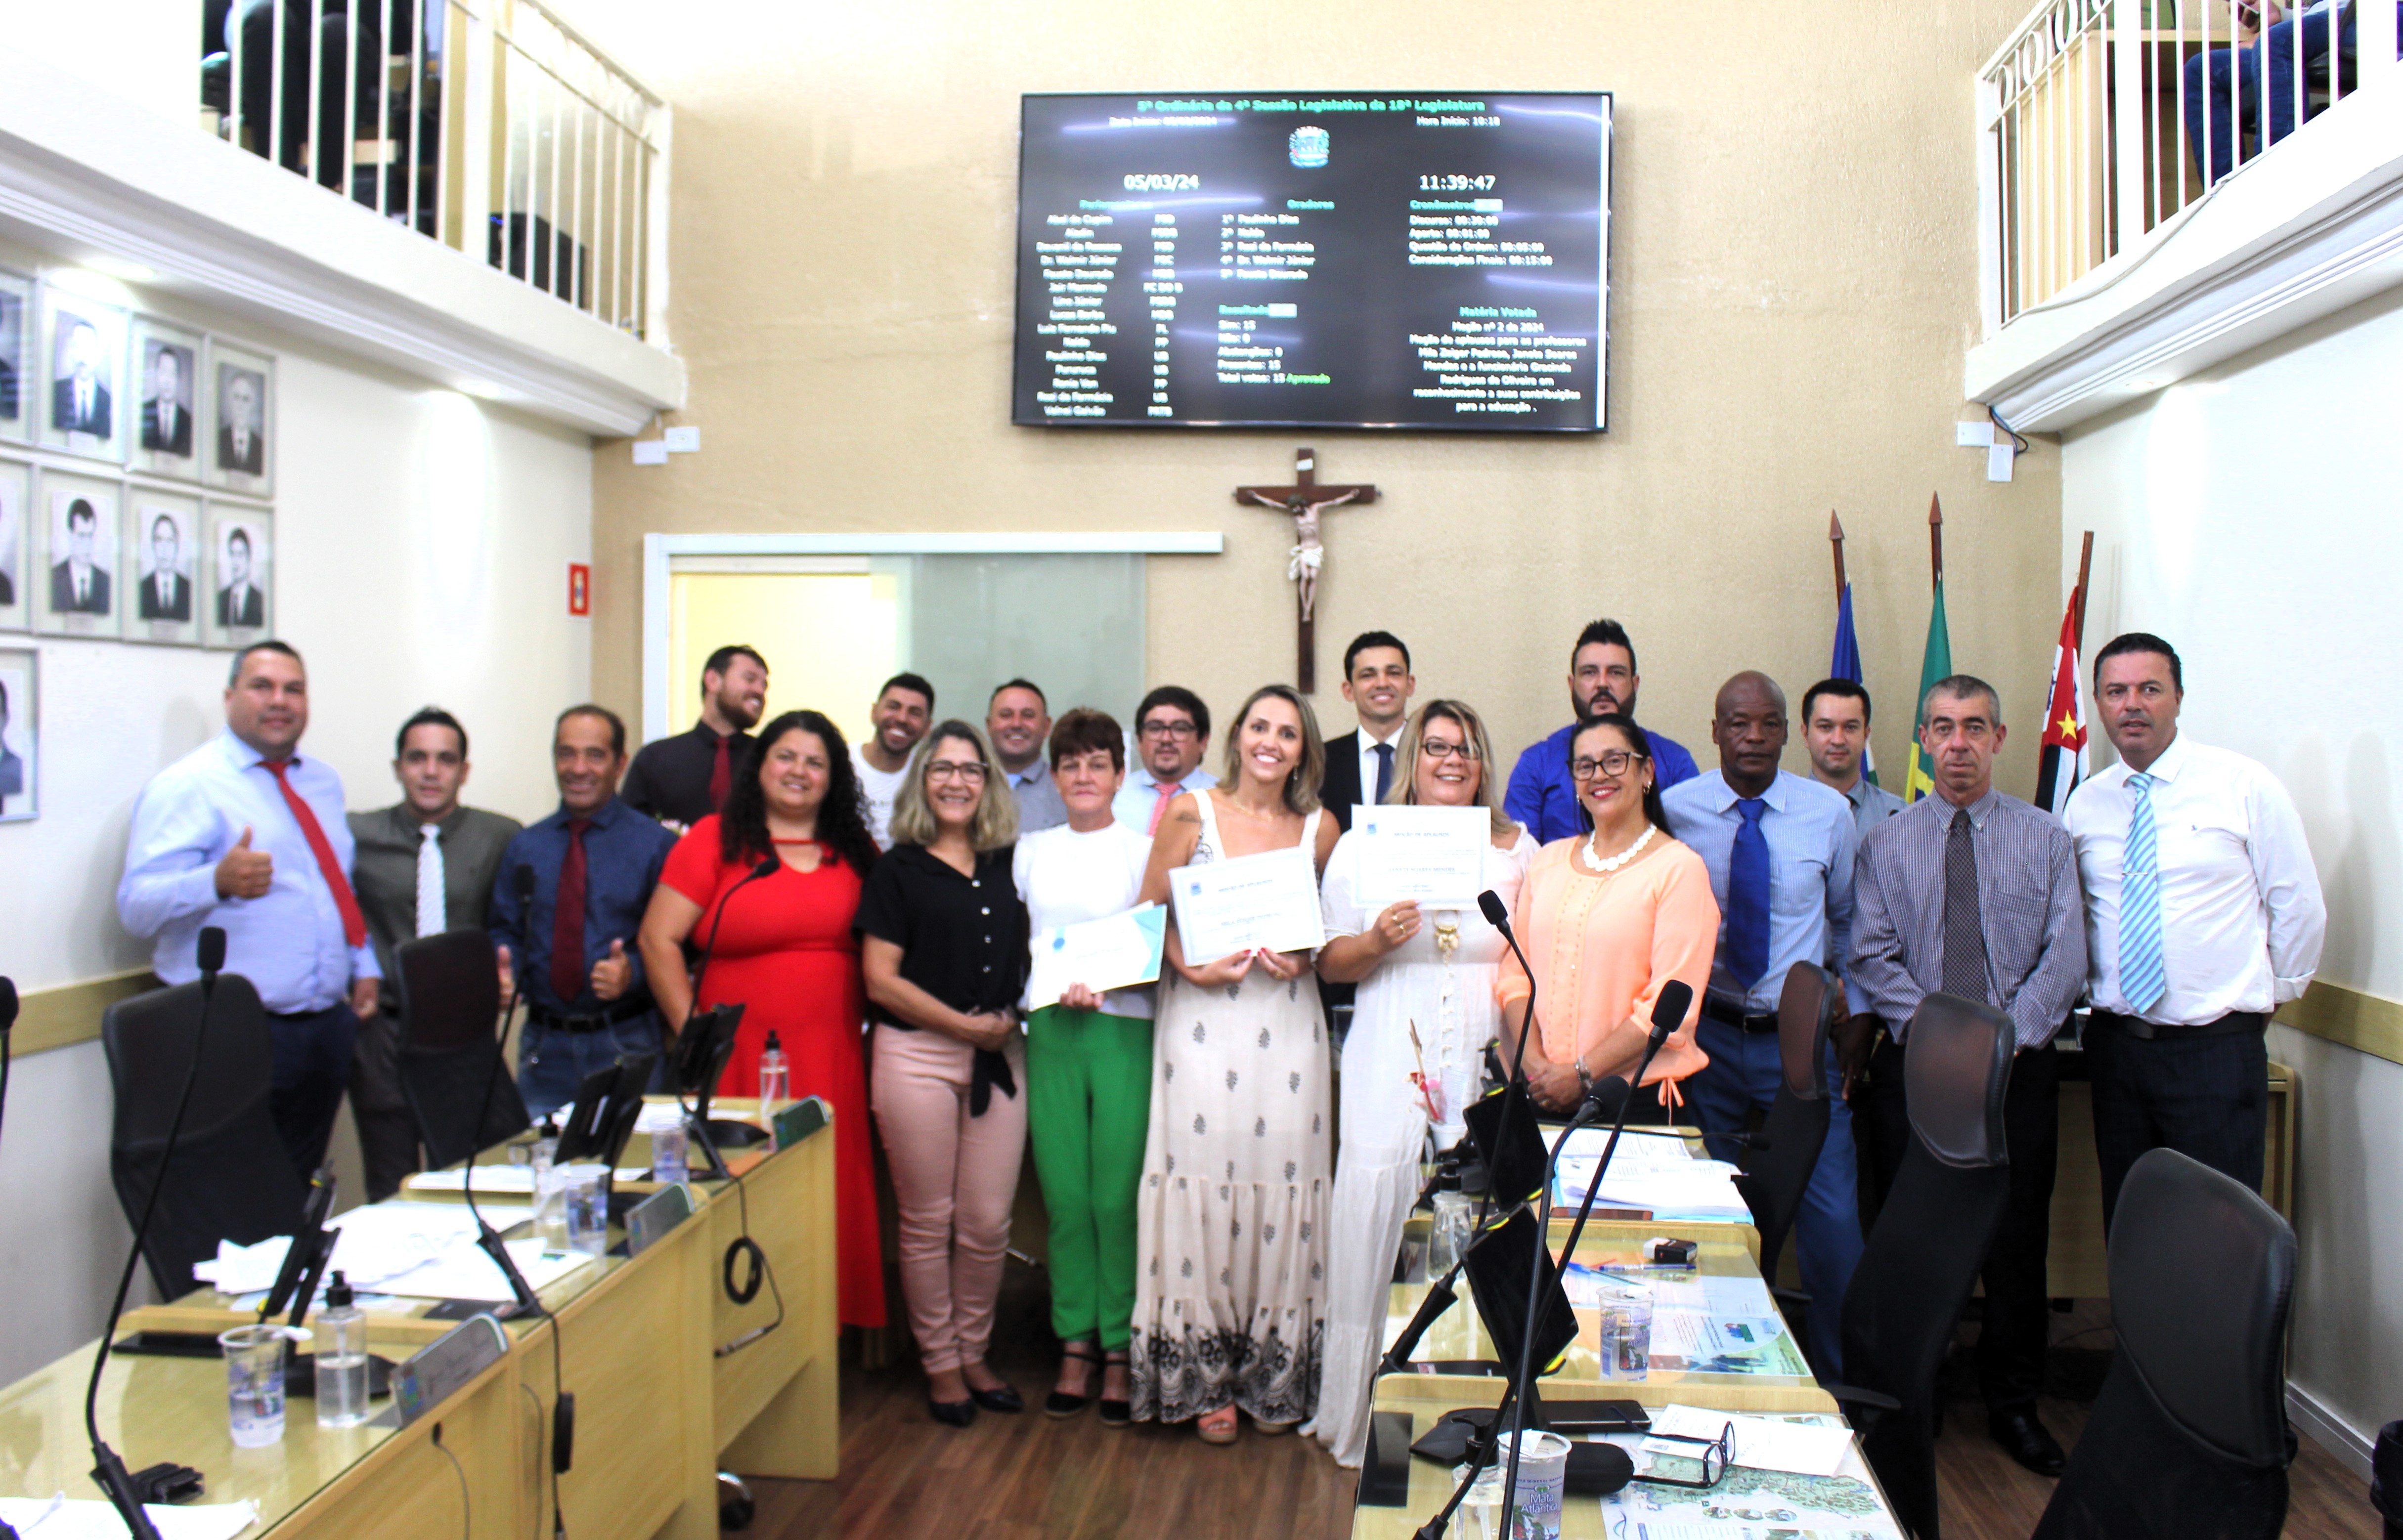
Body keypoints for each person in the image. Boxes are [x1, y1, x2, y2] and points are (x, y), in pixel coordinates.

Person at [1851, 674, 2088, 1477]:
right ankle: (1917, 1387)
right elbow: (1873, 957)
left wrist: (2001, 1041)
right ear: (1921, 739)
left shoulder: (2046, 839)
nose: (1958, 743)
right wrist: (1944, 1040)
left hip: (2015, 1075)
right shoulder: (1885, 842)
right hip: (1916, 1073)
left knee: (2016, 1245)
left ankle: (2014, 1405)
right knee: (1909, 1236)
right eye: (1943, 727)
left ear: (2000, 737)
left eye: (1974, 727)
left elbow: (2066, 957)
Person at [1312, 699, 1535, 1468]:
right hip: (1385, 1048)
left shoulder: (1516, 852)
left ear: (1483, 763)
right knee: (1378, 1212)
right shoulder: (1365, 845)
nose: (1451, 760)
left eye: (1467, 749)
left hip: (1475, 1050)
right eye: (1437, 745)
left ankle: (1456, 1416)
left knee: (1467, 1224)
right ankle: (1361, 1420)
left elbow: (1527, 962)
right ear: (1414, 755)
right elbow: (1328, 963)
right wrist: (1374, 940)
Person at [1130, 684, 1342, 1445]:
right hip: (1202, 1027)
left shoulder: (1321, 827)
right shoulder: (1192, 812)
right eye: (1259, 725)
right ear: (1238, 735)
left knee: (1285, 1181)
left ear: (1302, 750)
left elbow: (1333, 932)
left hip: (1287, 1028)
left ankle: (1273, 1374)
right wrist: (1190, 969)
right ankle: (1203, 1376)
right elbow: (1147, 920)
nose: (1270, 742)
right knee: (1204, 1180)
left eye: (1287, 733)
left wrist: (1304, 952)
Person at [2064, 633, 2324, 1229]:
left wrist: (2267, 998)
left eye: (2148, 689)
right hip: (2116, 1050)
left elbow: (2298, 904)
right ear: (2099, 706)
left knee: (2218, 1232)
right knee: (2131, 1224)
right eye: (2115, 691)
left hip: (2215, 1050)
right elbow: (2078, 916)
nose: (2132, 704)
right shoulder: (2086, 803)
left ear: (2177, 697)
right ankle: (2138, 1330)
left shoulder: (2243, 785)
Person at [641, 709, 887, 1330]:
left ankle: (818, 1333)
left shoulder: (857, 850)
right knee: (746, 1191)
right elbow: (657, 940)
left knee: (825, 1191)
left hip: (833, 1054)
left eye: (815, 762)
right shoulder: (714, 840)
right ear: (761, 765)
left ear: (834, 778)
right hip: (737, 1058)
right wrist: (695, 1034)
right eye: (786, 756)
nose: (798, 771)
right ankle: (742, 1328)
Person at [1661, 672, 1863, 1377]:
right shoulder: (1674, 810)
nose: (1753, 738)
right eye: (1737, 724)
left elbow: (1845, 921)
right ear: (1713, 731)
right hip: (1706, 1044)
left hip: (1797, 1046)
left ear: (1788, 732)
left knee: (1833, 1222)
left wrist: (1850, 1006)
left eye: (1768, 724)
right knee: (1707, 1217)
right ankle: (1712, 1370)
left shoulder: (1828, 813)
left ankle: (1838, 1384)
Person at [117, 642, 379, 1176]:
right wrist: (214, 880)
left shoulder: (322, 781)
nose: (279, 700)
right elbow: (135, 907)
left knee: (295, 1191)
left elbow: (333, 885)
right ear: (230, 695)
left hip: (324, 1027)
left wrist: (364, 962)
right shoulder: (189, 784)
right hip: (233, 1033)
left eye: (294, 688)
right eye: (263, 686)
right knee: (230, 1194)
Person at [857, 720, 1031, 1425]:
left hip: (1001, 1058)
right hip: (917, 1057)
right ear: (922, 783)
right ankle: (941, 1365)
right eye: (942, 769)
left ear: (987, 782)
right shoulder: (896, 869)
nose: (957, 780)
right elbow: (879, 980)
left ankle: (974, 1350)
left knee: (989, 1222)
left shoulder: (1009, 864)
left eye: (971, 769)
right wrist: (965, 1027)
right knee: (929, 1222)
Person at [1011, 708, 1156, 1426]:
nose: (1083, 776)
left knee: (1115, 1198)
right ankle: (1075, 1343)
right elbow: (1021, 941)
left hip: (1124, 1027)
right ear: (1057, 775)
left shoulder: (1143, 849)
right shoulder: (1031, 849)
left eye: (1097, 764)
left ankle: (1121, 1347)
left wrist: (1112, 980)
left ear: (1119, 775)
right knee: (1065, 1198)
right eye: (1070, 764)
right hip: (1051, 1028)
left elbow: (1159, 941)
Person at [1498, 713, 1716, 1118]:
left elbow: (1670, 1008)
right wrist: (1533, 1064)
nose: (1599, 775)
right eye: (1584, 765)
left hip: (1632, 1101)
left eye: (1614, 760)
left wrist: (1581, 1074)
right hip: (1540, 1090)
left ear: (1646, 770)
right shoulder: (1547, 861)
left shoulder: (1679, 869)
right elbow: (1515, 975)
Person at [346, 707, 523, 1200]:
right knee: (390, 1181)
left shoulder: (501, 837)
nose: (430, 771)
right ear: (398, 766)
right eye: (417, 758)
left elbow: (514, 923)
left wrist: (508, 969)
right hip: (384, 1034)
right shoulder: (355, 837)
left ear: (464, 770)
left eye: (445, 759)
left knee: (472, 1180)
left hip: (462, 1036)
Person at [489, 706, 679, 1114]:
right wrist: (504, 973)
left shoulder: (655, 847)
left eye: (595, 755)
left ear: (619, 764)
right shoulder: (526, 847)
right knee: (542, 1172)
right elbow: (505, 931)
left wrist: (633, 972)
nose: (578, 768)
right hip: (543, 1047)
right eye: (566, 753)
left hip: (626, 1041)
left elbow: (684, 945)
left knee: (633, 1172)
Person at [1506, 619, 1701, 843]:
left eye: (1616, 673)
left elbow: (1691, 851)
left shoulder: (1675, 761)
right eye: (1590, 673)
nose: (1602, 684)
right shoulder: (1536, 763)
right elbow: (1523, 860)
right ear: (1572, 684)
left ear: (1635, 684)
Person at [2182, 0, 2375, 186]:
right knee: (2202, 70)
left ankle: (2274, 181)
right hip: (2334, 24)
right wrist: (2283, 17)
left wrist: (2275, 35)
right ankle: (2223, 199)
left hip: (2382, 14)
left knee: (2274, 41)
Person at [620, 644, 769, 829]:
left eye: (764, 685)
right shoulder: (656, 758)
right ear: (713, 680)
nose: (760, 691)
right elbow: (629, 830)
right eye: (750, 679)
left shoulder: (768, 760)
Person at [1317, 631, 1417, 831]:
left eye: (1394, 673)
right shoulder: (1320, 760)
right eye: (1368, 675)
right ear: (1349, 690)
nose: (1382, 683)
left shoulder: (1434, 756)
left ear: (1410, 684)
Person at [1803, 678, 1904, 838]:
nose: (1838, 740)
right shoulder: (1781, 814)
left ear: (1866, 735)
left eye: (1850, 728)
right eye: (1826, 727)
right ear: (1805, 734)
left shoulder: (1898, 817)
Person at [1112, 685, 1217, 834]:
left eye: (1180, 729)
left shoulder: (1223, 799)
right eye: (1155, 729)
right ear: (1139, 740)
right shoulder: (1113, 796)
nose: (1166, 739)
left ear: (1203, 742)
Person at [850, 671, 935, 847]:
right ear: (874, 712)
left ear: (927, 728)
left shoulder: (928, 778)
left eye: (915, 713)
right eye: (893, 707)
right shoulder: (839, 761)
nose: (902, 718)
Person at [988, 678, 1067, 833]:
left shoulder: (1067, 788)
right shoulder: (968, 786)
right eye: (1006, 715)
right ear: (989, 725)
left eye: (1028, 715)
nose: (1016, 724)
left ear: (1047, 726)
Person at [52, 318, 111, 437]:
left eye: (88, 347)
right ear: (71, 352)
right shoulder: (57, 391)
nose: (82, 357)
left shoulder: (107, 398)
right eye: (77, 346)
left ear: (97, 353)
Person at [49, 498, 110, 615]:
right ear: (70, 537)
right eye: (82, 536)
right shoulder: (55, 578)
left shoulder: (105, 581)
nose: (87, 545)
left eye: (90, 536)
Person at [137, 514, 191, 623]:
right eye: (159, 540)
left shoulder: (187, 587)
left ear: (177, 545)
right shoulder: (143, 587)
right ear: (153, 544)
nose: (164, 549)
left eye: (170, 541)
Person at [143, 345, 192, 456]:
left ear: (179, 379)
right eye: (164, 372)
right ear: (156, 374)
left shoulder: (188, 420)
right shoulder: (144, 412)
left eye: (172, 374)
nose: (167, 381)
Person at [218, 527, 265, 629]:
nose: (236, 561)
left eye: (240, 555)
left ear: (249, 558)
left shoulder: (259, 599)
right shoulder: (221, 598)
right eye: (233, 554)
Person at [218, 368, 263, 473]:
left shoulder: (261, 446)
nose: (241, 406)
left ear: (252, 404)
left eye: (245, 399)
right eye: (236, 398)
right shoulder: (218, 439)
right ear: (229, 400)